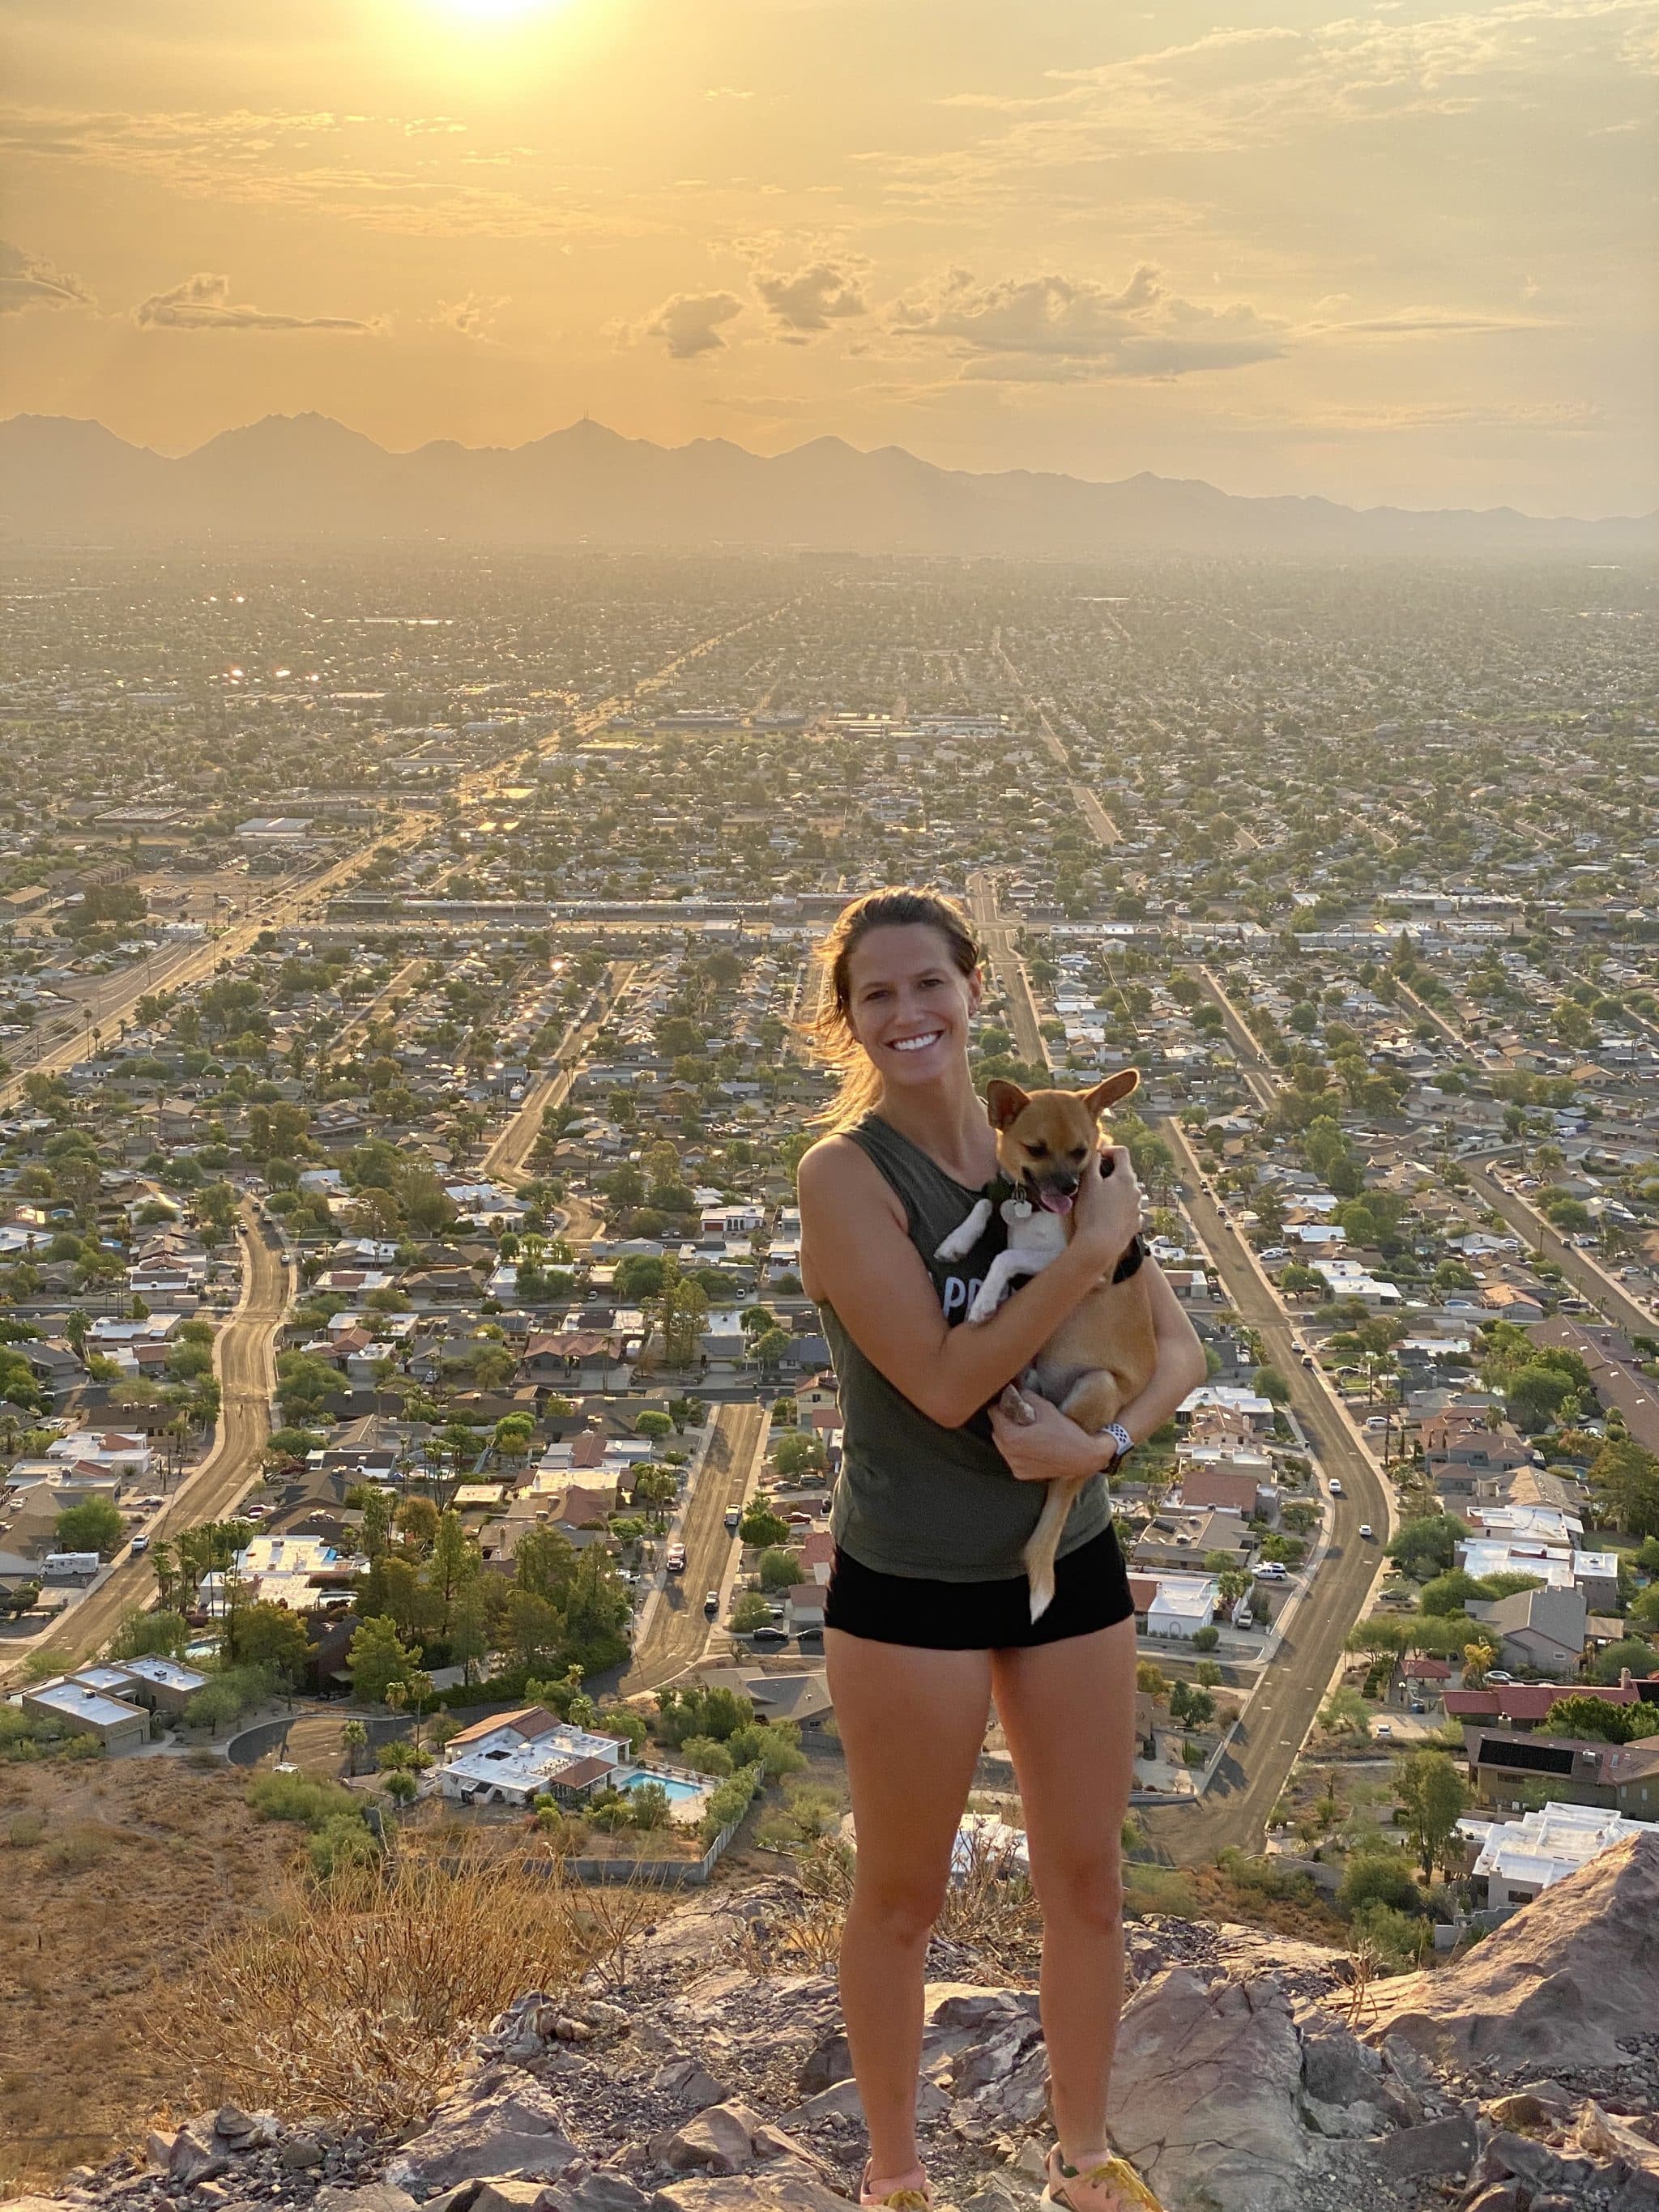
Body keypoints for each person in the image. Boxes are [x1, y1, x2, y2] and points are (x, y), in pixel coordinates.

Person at [798, 888, 1206, 2212]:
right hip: (912, 1573)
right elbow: (938, 1378)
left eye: (931, 984)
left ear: (974, 989)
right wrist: (1085, 1259)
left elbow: (1183, 1353)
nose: (910, 1014)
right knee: (904, 1895)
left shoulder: (1065, 1144)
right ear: (850, 1020)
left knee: (1087, 1881)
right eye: (879, 995)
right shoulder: (847, 1178)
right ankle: (897, 2175)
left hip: (1067, 1558)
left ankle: (1083, 2160)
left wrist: (1107, 1449)